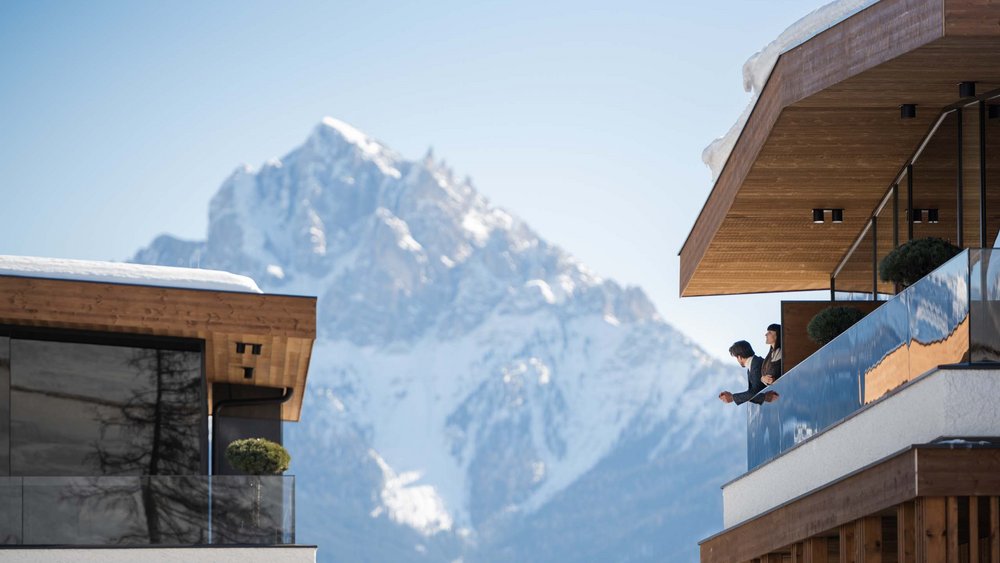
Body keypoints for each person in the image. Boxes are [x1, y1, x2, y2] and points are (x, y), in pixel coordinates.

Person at [719, 340, 766, 405]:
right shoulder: (751, 367)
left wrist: (732, 397)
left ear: (739, 357)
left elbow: (755, 392)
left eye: (736, 358)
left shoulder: (756, 364)